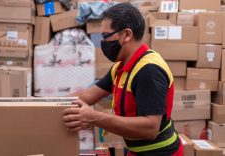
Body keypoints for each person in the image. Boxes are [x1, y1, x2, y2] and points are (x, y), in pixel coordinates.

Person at [63, 2, 184, 156]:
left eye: (106, 36)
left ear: (127, 35)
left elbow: (150, 128)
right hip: (136, 151)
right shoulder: (120, 68)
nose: (103, 43)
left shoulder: (149, 70)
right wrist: (45, 104)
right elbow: (87, 96)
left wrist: (95, 118)